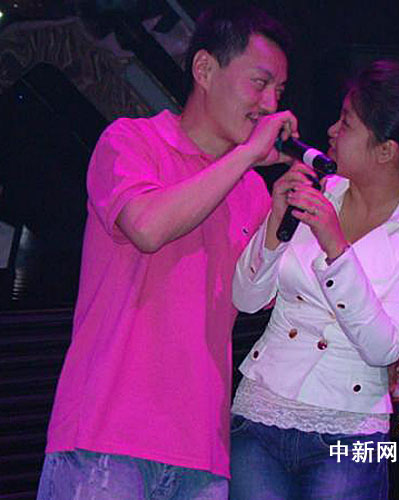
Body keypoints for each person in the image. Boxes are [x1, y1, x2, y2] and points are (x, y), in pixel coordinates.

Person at [36, 5, 298, 500]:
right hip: (107, 436)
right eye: (260, 83)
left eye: (279, 92)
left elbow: (256, 300)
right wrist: (247, 156)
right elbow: (148, 228)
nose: (270, 105)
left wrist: (281, 223)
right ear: (204, 69)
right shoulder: (130, 141)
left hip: (202, 451)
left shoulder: (250, 191)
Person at [230, 60, 399, 500]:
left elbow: (383, 346)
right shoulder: (321, 188)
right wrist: (275, 222)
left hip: (353, 434)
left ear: (385, 150)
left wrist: (336, 247)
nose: (331, 130)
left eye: (347, 123)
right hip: (260, 410)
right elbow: (246, 297)